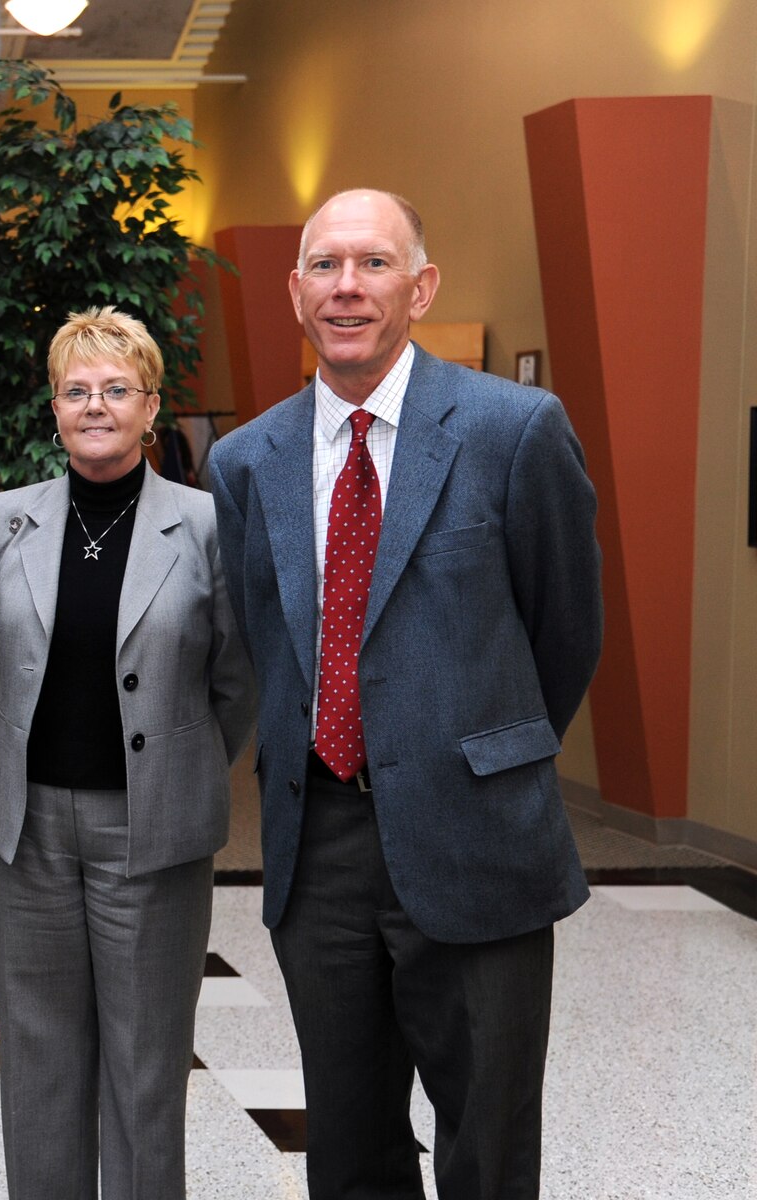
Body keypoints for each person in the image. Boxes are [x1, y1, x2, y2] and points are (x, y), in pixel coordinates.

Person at [208, 189, 602, 1199]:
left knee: (486, 1137)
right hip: (319, 847)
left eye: (373, 264)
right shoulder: (245, 461)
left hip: (477, 832)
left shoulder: (513, 430)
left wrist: (478, 757)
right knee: (345, 1145)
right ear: (294, 292)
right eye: (324, 266)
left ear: (418, 286)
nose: (346, 287)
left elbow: (564, 630)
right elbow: (265, 638)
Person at [0, 307, 255, 1199]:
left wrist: (179, 759)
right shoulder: (5, 522)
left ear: (150, 405)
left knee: (145, 1061)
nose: (96, 405)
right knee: (39, 1058)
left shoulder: (207, 526)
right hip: (31, 828)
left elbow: (238, 681)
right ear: (54, 410)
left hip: (154, 829)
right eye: (77, 390)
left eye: (116, 389)